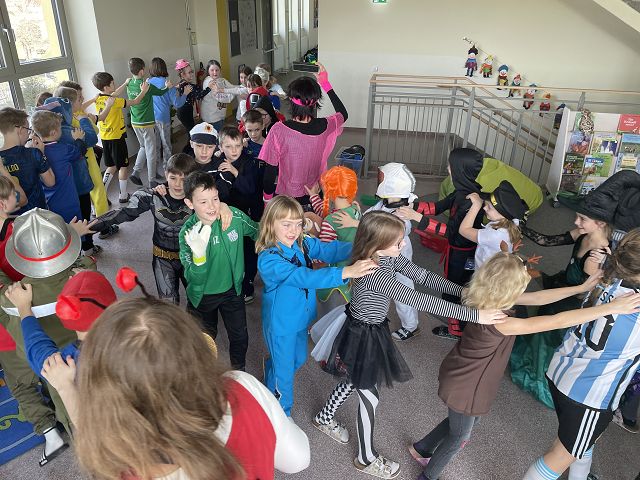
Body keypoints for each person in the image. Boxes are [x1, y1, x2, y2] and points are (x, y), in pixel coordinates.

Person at [312, 211, 506, 479]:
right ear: (377, 244)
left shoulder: (388, 256)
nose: (403, 244)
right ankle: (365, 458)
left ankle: (324, 417)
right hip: (361, 335)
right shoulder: (374, 272)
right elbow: (420, 300)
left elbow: (422, 276)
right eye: (397, 242)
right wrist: (476, 315)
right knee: (370, 395)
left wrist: (464, 293)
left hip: (371, 329)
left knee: (354, 380)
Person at [410, 253, 640, 480]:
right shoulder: (500, 322)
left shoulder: (489, 297)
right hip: (467, 385)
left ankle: (423, 448)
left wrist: (580, 288)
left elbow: (539, 298)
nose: (526, 288)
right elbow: (555, 321)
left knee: (464, 421)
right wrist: (611, 308)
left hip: (463, 374)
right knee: (460, 436)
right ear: (509, 290)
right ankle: (428, 476)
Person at [39, 297, 311, 480]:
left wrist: (66, 389)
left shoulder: (126, 467)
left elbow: (99, 441)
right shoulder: (242, 386)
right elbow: (298, 460)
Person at [523, 228, 640, 480]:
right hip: (589, 395)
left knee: (582, 441)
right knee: (557, 457)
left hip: (561, 371)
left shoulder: (607, 279)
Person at [256, 195, 376, 416]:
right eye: (286, 224)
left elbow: (329, 250)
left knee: (298, 359)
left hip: (301, 319)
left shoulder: (302, 242)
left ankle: (271, 371)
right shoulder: (268, 259)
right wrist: (346, 272)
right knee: (285, 374)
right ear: (271, 224)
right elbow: (303, 277)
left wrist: (361, 249)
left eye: (298, 224)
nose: (293, 230)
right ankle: (283, 414)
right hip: (281, 325)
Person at [510, 177, 615, 408]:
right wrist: (518, 224)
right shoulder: (583, 234)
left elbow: (587, 295)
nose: (576, 222)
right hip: (562, 288)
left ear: (600, 223)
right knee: (540, 328)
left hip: (572, 301)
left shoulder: (597, 257)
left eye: (582, 219)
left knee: (548, 336)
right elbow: (547, 241)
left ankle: (542, 380)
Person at [0, 208, 96, 437]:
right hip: (92, 354)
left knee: (66, 405)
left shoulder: (12, 298)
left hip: (51, 365)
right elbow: (83, 260)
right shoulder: (87, 270)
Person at [0, 176, 65, 467]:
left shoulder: (18, 229)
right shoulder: (23, 229)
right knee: (52, 366)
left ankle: (49, 432)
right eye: (13, 194)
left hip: (8, 321)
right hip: (41, 311)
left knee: (20, 383)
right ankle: (68, 418)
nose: (18, 197)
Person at [398, 147, 485, 340]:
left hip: (462, 255)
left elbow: (451, 232)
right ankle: (460, 326)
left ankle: (457, 331)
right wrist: (411, 205)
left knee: (454, 291)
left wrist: (417, 217)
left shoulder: (469, 201)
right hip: (456, 251)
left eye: (450, 165)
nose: (447, 169)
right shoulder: (463, 192)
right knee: (454, 288)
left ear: (460, 170)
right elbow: (438, 207)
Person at [91, 154, 202, 304]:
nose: (177, 184)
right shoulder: (152, 196)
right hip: (163, 259)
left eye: (184, 179)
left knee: (198, 299)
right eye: (173, 178)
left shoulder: (200, 198)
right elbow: (123, 213)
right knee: (168, 302)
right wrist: (92, 226)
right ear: (166, 174)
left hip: (190, 257)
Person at [179, 171, 258, 370]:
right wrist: (198, 256)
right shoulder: (187, 233)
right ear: (190, 203)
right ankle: (204, 378)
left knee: (240, 336)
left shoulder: (233, 216)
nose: (212, 206)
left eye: (215, 199)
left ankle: (238, 372)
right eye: (203, 202)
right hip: (202, 296)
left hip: (233, 291)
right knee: (202, 342)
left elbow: (258, 231)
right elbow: (193, 279)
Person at [260, 64, 347, 209]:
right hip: (315, 196)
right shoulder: (325, 125)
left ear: (290, 100)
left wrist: (267, 200)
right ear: (316, 102)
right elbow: (343, 113)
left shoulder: (278, 130)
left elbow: (270, 171)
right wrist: (325, 84)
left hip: (288, 200)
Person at [306, 165, 361, 314]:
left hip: (336, 281)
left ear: (329, 191)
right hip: (354, 275)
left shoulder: (330, 222)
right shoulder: (355, 209)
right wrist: (314, 196)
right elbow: (327, 214)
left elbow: (323, 255)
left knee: (332, 318)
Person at [218, 125, 262, 302]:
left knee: (248, 251)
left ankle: (247, 284)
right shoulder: (218, 161)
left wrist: (235, 172)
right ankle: (229, 282)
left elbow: (250, 188)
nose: (234, 150)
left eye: (237, 145)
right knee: (228, 250)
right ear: (221, 147)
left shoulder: (249, 162)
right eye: (228, 146)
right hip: (226, 215)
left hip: (247, 214)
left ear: (242, 144)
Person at [92, 71, 149, 205]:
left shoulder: (99, 98)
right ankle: (123, 195)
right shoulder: (115, 101)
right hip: (117, 138)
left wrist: (125, 83)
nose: (114, 84)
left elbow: (114, 93)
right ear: (106, 87)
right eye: (112, 83)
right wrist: (143, 91)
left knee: (111, 166)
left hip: (105, 138)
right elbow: (135, 101)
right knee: (123, 166)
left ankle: (102, 193)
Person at [58, 80, 110, 219]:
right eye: (79, 97)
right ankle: (103, 222)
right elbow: (93, 135)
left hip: (81, 159)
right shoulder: (76, 118)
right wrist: (87, 120)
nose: (82, 99)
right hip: (86, 158)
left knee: (89, 193)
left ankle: (96, 215)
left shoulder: (67, 116)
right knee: (97, 190)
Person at [30, 110, 84, 226]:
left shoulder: (33, 152)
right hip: (68, 200)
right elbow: (80, 152)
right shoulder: (63, 149)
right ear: (54, 132)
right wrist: (78, 139)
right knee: (75, 229)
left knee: (59, 229)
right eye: (60, 128)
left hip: (49, 203)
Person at [459, 180, 528, 269]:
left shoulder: (495, 235)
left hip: (485, 271)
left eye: (489, 207)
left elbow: (463, 230)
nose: (484, 208)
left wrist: (476, 205)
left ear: (503, 216)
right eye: (486, 204)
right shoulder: (512, 220)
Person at [0, 107, 55, 214]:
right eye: (28, 130)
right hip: (37, 215)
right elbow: (50, 182)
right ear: (20, 130)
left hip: (11, 219)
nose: (28, 134)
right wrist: (42, 154)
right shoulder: (33, 153)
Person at [127, 57, 169, 187]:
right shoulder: (146, 86)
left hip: (135, 121)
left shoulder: (129, 83)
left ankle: (136, 172)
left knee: (143, 147)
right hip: (146, 122)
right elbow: (161, 92)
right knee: (151, 150)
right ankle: (152, 180)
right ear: (141, 71)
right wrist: (168, 87)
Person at [148, 57, 191, 172]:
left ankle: (154, 169)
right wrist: (185, 93)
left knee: (156, 144)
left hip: (151, 118)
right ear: (164, 68)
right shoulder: (167, 83)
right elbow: (177, 103)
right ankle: (167, 168)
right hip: (163, 118)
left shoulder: (148, 82)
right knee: (166, 144)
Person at [188, 122, 233, 201]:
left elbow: (224, 195)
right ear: (191, 144)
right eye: (199, 146)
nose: (204, 151)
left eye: (209, 147)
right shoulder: (184, 165)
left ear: (215, 147)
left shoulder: (222, 167)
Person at [174, 58, 215, 134]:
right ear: (182, 75)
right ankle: (192, 141)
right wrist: (209, 88)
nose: (192, 74)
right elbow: (199, 95)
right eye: (189, 72)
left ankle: (191, 141)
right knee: (191, 130)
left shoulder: (183, 83)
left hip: (185, 110)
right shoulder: (187, 86)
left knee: (190, 129)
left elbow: (195, 88)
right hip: (184, 111)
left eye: (192, 71)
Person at [200, 59, 236, 132]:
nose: (215, 72)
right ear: (208, 71)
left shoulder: (221, 80)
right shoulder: (209, 82)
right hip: (212, 118)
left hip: (219, 115)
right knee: (215, 136)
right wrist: (235, 92)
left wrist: (241, 88)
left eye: (217, 70)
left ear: (220, 70)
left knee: (216, 135)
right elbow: (223, 98)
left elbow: (232, 87)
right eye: (212, 70)